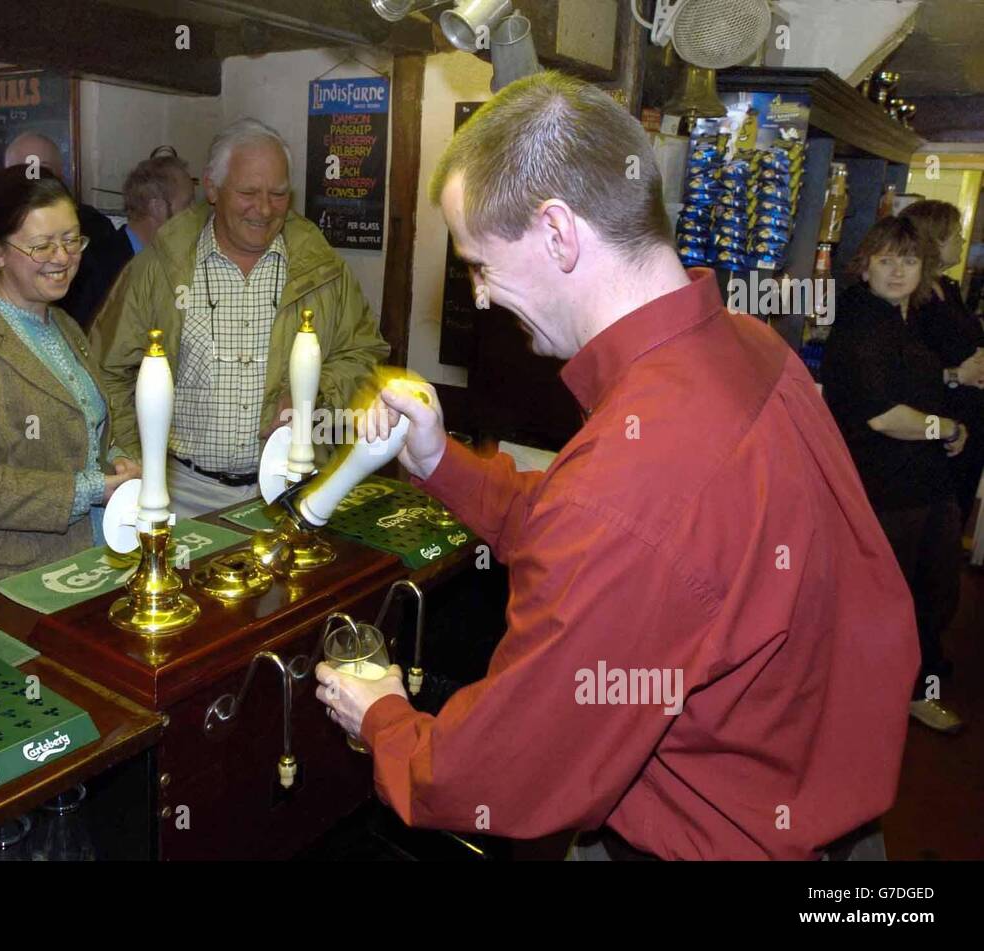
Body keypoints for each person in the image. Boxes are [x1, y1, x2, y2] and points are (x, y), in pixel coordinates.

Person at [314, 72, 918, 860]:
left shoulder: (631, 486)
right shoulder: (750, 344)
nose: (483, 298)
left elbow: (499, 775)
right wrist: (438, 460)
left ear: (559, 232)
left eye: (481, 264)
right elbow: (606, 535)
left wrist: (384, 716)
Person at [90, 118, 389, 517]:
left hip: (293, 485)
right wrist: (135, 460)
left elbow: (364, 352)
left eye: (278, 194)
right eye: (248, 192)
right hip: (181, 493)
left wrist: (312, 395)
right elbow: (108, 369)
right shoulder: (159, 268)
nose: (264, 209)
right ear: (212, 189)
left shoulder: (322, 269)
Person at [0, 166, 138, 587]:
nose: (62, 259)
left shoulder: (63, 325)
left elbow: (85, 432)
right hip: (12, 575)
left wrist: (116, 459)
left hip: (89, 552)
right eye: (41, 246)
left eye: (72, 240)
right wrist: (88, 490)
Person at [822, 216, 968, 735]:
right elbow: (884, 415)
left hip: (919, 487)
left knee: (929, 595)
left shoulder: (898, 320)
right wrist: (947, 426)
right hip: (887, 492)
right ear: (865, 268)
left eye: (908, 260)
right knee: (895, 602)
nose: (898, 270)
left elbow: (913, 382)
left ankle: (902, 691)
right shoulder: (863, 322)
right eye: (886, 260)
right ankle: (879, 702)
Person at [0, 132, 125, 333]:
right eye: (41, 245)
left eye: (70, 240)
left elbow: (114, 305)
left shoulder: (95, 227)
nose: (31, 178)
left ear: (61, 176)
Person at [901, 200, 984, 525]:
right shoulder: (914, 297)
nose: (963, 241)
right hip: (936, 423)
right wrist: (956, 374)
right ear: (934, 238)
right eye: (956, 235)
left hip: (967, 422)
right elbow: (909, 365)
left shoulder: (948, 288)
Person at [117, 152, 196, 263]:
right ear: (157, 208)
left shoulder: (179, 258)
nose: (195, 213)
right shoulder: (101, 268)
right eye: (187, 205)